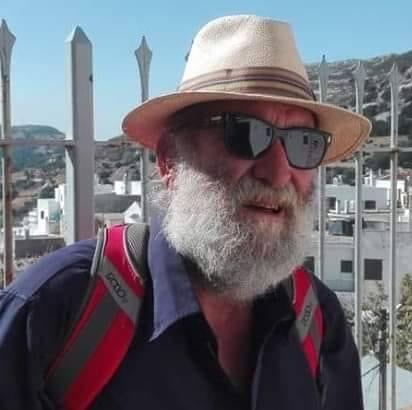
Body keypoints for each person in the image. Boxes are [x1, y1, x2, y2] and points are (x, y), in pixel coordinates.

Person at [0, 14, 371, 410]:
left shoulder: (318, 320)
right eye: (245, 133)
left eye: (304, 143)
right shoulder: (53, 312)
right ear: (170, 160)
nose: (279, 173)